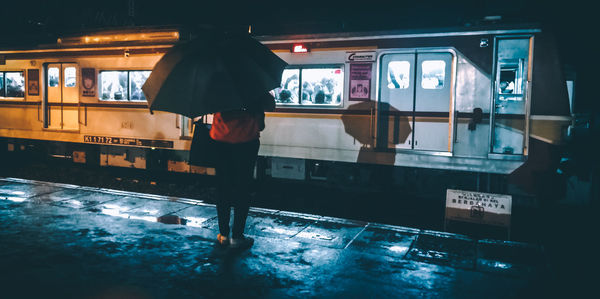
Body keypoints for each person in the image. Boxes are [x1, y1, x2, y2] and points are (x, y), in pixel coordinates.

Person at [210, 92, 275, 249]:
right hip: (246, 144)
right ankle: (237, 236)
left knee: (223, 188)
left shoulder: (218, 89)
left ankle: (223, 235)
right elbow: (262, 124)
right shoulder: (254, 89)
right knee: (242, 188)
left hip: (220, 142)